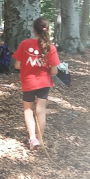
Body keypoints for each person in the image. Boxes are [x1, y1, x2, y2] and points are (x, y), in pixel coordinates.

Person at [13, 17, 60, 150]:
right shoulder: (51, 48)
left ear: (34, 30)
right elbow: (55, 71)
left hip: (28, 82)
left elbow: (17, 65)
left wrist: (29, 67)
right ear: (47, 29)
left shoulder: (25, 44)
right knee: (41, 111)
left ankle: (32, 139)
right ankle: (40, 139)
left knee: (28, 110)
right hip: (44, 82)